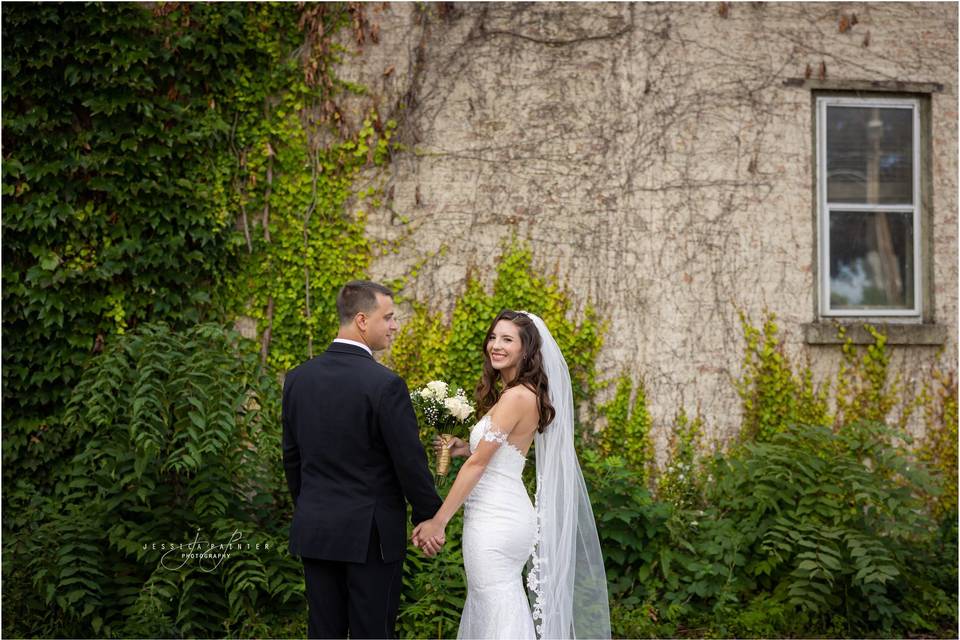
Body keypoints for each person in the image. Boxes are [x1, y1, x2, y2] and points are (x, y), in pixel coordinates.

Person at [412, 310, 610, 639]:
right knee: (497, 604)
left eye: (507, 339)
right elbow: (497, 454)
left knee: (496, 607)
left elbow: (479, 466)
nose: (496, 345)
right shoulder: (519, 393)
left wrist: (439, 521)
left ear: (526, 350)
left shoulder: (516, 396)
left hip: (496, 521)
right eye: (493, 337)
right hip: (504, 514)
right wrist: (466, 447)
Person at [282, 280, 444, 639]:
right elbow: (409, 462)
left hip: (317, 529)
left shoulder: (297, 380)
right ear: (361, 320)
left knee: (323, 631)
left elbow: (292, 459)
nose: (394, 325)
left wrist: (311, 506)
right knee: (373, 632)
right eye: (387, 317)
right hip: (370, 536)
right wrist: (429, 516)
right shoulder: (385, 385)